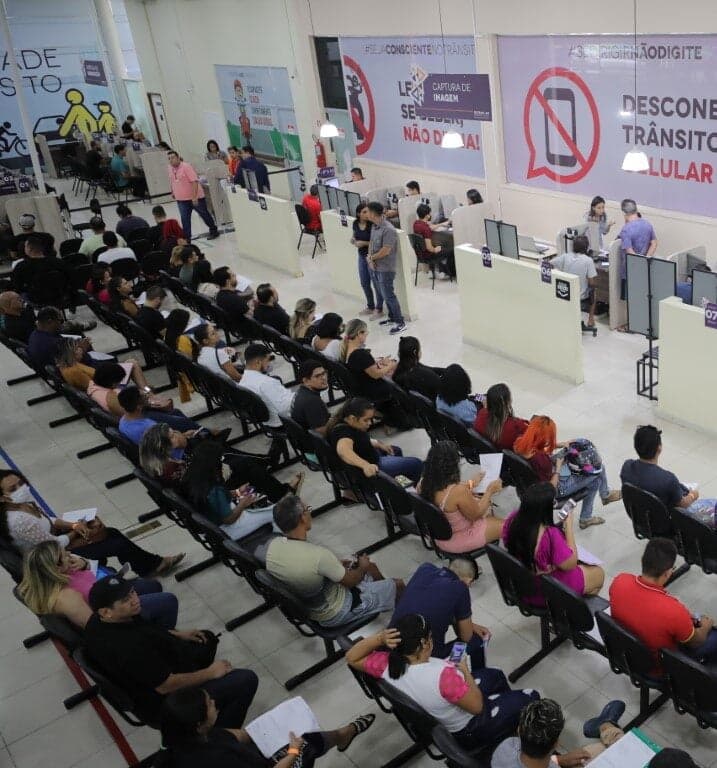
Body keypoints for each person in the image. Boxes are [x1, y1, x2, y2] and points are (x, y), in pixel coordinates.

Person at [83, 573, 259, 725]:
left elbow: (144, 630)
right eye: (126, 600)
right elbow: (165, 686)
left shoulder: (101, 620)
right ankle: (217, 736)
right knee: (245, 680)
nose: (135, 600)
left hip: (161, 663)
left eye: (133, 592)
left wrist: (176, 634)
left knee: (206, 639)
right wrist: (211, 673)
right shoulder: (128, 648)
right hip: (166, 703)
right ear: (106, 611)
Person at [346, 616, 539, 751]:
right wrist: (464, 672)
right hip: (468, 729)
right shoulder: (442, 677)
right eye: (431, 637)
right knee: (531, 697)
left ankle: (506, 717)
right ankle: (508, 725)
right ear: (424, 643)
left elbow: (352, 658)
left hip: (439, 709)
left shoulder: (385, 664)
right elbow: (478, 708)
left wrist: (379, 638)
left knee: (495, 676)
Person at [0, 469, 183, 576]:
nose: (20, 489)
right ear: (3, 497)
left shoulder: (24, 504)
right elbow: (51, 545)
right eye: (13, 488)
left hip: (58, 543)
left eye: (20, 483)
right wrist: (77, 532)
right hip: (54, 558)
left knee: (111, 532)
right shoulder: (18, 521)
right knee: (115, 542)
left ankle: (150, 565)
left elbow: (49, 520)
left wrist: (73, 525)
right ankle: (150, 565)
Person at [266, 495, 402, 627]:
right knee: (398, 584)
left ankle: (384, 598)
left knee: (371, 568)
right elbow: (350, 581)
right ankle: (405, 617)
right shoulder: (319, 555)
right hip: (337, 611)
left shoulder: (272, 547)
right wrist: (362, 566)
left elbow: (310, 569)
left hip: (312, 604)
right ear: (302, 517)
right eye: (308, 509)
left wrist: (336, 566)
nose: (310, 514)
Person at [157, 687, 374, 768]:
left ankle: (342, 735)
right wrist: (292, 751)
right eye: (209, 704)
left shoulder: (181, 738)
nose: (214, 702)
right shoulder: (217, 759)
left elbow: (239, 735)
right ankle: (344, 735)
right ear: (199, 724)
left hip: (249, 755)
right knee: (308, 742)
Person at [19, 540, 179, 631]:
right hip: (113, 612)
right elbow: (98, 628)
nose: (69, 555)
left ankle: (157, 626)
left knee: (152, 586)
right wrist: (127, 609)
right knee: (168, 601)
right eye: (64, 556)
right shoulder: (67, 598)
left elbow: (88, 577)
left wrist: (85, 564)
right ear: (55, 567)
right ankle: (163, 638)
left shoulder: (63, 572)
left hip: (109, 594)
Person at [610, 537, 717, 666]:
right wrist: (707, 624)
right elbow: (697, 641)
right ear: (667, 573)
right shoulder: (673, 610)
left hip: (629, 654)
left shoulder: (620, 581)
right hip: (661, 667)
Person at [139, 423, 304, 500]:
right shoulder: (173, 468)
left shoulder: (161, 465)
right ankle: (282, 496)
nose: (177, 432)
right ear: (170, 443)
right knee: (244, 465)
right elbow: (201, 481)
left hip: (203, 491)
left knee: (235, 460)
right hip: (212, 495)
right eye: (173, 433)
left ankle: (270, 475)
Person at [503, 482, 605, 602]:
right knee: (599, 574)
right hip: (548, 589)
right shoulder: (549, 535)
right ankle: (569, 610)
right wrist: (569, 528)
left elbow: (506, 542)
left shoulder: (512, 519)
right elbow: (570, 564)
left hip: (523, 583)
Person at [514, 416, 621, 529]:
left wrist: (560, 444)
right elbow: (551, 486)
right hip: (556, 488)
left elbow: (539, 448)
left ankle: (594, 509)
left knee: (570, 452)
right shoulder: (541, 460)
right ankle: (601, 499)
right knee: (598, 471)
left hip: (532, 482)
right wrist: (559, 468)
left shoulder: (520, 443)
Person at [391, 559, 490, 671]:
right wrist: (468, 626)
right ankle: (463, 672)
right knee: (476, 640)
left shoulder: (425, 568)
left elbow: (432, 606)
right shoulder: (460, 587)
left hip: (391, 646)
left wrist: (470, 625)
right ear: (469, 581)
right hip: (423, 658)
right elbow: (466, 637)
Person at [620, 424, 716, 529]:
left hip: (640, 518)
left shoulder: (627, 467)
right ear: (659, 448)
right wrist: (693, 495)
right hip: (667, 525)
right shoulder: (668, 480)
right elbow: (684, 504)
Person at [491, 697, 628, 768]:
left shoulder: (506, 748)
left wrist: (559, 760)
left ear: (520, 731)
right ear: (556, 744)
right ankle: (606, 725)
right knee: (616, 747)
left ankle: (605, 725)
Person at [182, 440, 276, 541]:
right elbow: (228, 519)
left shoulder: (194, 479)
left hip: (215, 525)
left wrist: (237, 492)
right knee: (278, 511)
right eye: (220, 459)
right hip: (229, 529)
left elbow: (217, 501)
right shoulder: (214, 489)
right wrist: (243, 504)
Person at [419, 440, 503, 552]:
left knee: (492, 517)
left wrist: (471, 483)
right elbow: (476, 515)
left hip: (438, 536)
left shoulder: (423, 483)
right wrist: (489, 492)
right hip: (459, 538)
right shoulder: (458, 491)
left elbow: (449, 490)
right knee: (511, 527)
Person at [327, 398, 423, 482]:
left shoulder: (347, 423)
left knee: (395, 450)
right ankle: (415, 494)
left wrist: (378, 444)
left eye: (371, 419)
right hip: (374, 465)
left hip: (372, 456)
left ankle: (400, 484)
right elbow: (343, 451)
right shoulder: (342, 432)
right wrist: (365, 465)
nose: (369, 423)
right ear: (352, 418)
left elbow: (360, 439)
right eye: (366, 420)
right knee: (416, 464)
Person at [340, 319, 408, 429]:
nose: (366, 336)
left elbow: (366, 368)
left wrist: (377, 363)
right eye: (365, 333)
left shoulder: (347, 350)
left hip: (363, 386)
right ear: (359, 333)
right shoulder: (360, 354)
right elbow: (376, 374)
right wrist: (391, 364)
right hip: (373, 390)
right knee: (400, 375)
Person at [367, 202, 405, 334]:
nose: (366, 214)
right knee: (382, 294)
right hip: (375, 266)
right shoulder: (374, 226)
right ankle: (392, 317)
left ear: (372, 213)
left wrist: (372, 258)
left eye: (368, 212)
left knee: (389, 295)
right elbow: (371, 243)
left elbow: (386, 250)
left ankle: (400, 322)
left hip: (386, 268)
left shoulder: (388, 229)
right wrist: (369, 258)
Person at [168, 150, 220, 242]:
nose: (170, 160)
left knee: (204, 214)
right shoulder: (170, 168)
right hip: (181, 199)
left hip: (195, 198)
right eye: (169, 158)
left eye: (172, 158)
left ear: (178, 157)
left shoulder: (186, 167)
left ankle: (213, 230)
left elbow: (194, 181)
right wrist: (173, 192)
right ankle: (187, 239)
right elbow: (172, 181)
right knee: (185, 219)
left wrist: (194, 196)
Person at [240, 343, 294, 427]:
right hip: (281, 422)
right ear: (258, 362)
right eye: (268, 360)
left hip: (267, 420)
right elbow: (285, 407)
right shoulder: (266, 383)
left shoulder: (243, 381)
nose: (269, 364)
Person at [551, 234, 598, 328]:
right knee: (594, 291)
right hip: (580, 296)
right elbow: (591, 282)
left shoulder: (565, 257)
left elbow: (549, 264)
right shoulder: (588, 261)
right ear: (586, 247)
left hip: (564, 292)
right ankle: (590, 320)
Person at [618, 198, 657, 308]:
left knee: (630, 300)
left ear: (624, 213)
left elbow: (630, 252)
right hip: (644, 268)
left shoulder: (626, 230)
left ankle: (629, 324)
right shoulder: (647, 224)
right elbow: (654, 243)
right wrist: (646, 259)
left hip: (630, 270)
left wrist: (637, 264)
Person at [474, 383, 529, 450]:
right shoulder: (516, 426)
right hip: (504, 457)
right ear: (509, 401)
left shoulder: (481, 413)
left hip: (484, 452)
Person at [351, 202, 382, 318]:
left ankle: (379, 308)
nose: (367, 214)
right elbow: (355, 235)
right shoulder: (355, 223)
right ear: (358, 214)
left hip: (371, 257)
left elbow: (375, 242)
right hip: (361, 257)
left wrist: (363, 243)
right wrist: (353, 240)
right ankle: (370, 306)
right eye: (364, 212)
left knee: (376, 283)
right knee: (364, 282)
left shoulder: (372, 225)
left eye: (368, 211)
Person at [393, 336, 444, 402]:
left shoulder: (402, 368)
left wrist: (448, 370)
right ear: (415, 352)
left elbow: (431, 369)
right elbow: (440, 385)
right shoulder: (422, 374)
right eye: (420, 349)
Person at [413, 203, 455, 279]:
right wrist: (435, 249)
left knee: (440, 246)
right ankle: (446, 273)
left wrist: (442, 224)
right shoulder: (426, 229)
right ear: (427, 215)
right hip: (428, 255)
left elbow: (430, 227)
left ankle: (438, 271)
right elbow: (429, 248)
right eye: (429, 213)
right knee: (451, 249)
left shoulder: (416, 224)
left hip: (420, 254)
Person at [291, 359, 330, 435]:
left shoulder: (301, 391)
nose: (324, 378)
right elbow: (321, 432)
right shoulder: (312, 402)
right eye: (318, 376)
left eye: (324, 373)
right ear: (306, 381)